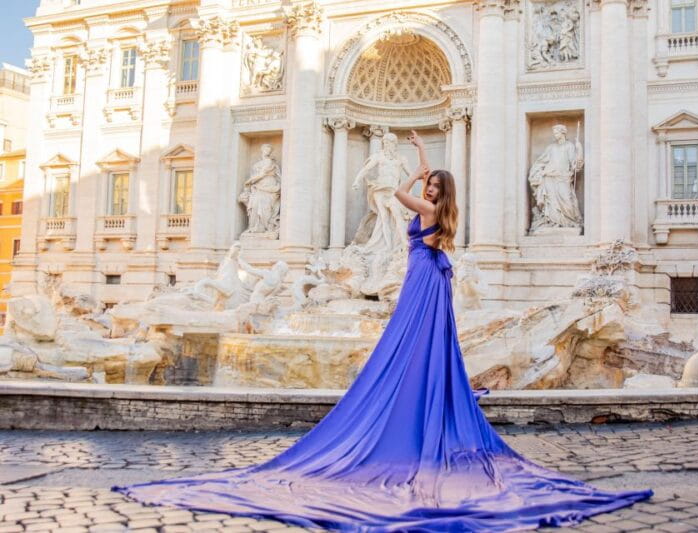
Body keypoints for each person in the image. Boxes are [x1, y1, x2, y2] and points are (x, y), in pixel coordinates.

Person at [112, 131, 651, 531]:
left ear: (439, 193)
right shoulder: (443, 212)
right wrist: (422, 158)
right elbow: (411, 193)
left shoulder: (428, 209)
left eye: (435, 185)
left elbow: (395, 195)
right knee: (421, 345)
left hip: (423, 279)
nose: (429, 187)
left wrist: (415, 177)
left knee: (410, 343)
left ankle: (405, 405)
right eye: (431, 184)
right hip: (428, 277)